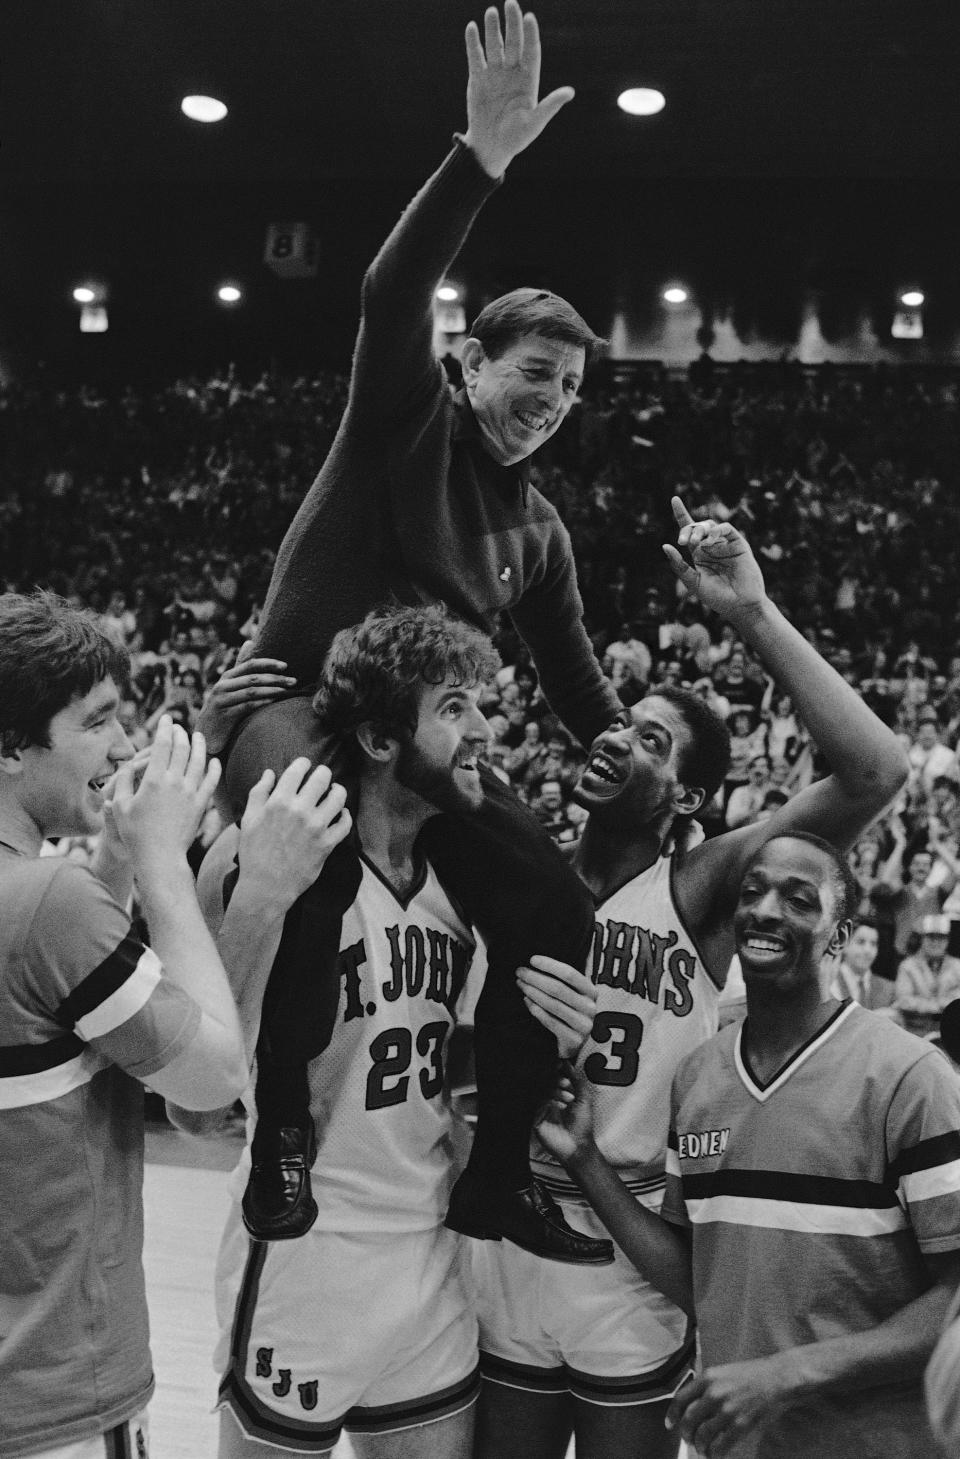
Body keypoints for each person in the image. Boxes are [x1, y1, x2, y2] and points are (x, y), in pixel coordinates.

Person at [207, 0, 622, 1255]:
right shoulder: (404, 418)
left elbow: (572, 675)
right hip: (302, 701)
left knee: (557, 905)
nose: (551, 404)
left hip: (426, 736)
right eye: (534, 375)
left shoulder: (539, 532)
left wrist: (624, 746)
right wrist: (480, 157)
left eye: (571, 390)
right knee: (311, 847)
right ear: (472, 363)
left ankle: (497, 1171)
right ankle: (278, 1128)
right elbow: (393, 284)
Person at [472, 505, 909, 1459]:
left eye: (657, 744)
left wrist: (751, 615)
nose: (625, 741)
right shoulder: (513, 858)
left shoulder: (702, 885)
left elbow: (875, 769)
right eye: (622, 724)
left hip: (626, 1249)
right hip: (503, 1236)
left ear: (691, 801)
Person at [176, 604, 608, 1459]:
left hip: (432, 1246)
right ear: (380, 740)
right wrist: (255, 895)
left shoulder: (469, 880)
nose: (485, 729)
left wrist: (560, 1032)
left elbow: (443, 1059)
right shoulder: (257, 859)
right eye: (454, 708)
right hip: (308, 1254)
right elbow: (191, 1109)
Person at [538, 833, 960, 1459]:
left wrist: (784, 1375)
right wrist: (584, 1160)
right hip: (742, 1446)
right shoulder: (699, 1076)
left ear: (840, 936)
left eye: (798, 899)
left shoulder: (910, 1077)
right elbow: (701, 1277)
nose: (764, 910)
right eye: (753, 891)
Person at [0, 591, 253, 1459]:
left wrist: (109, 857)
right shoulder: (48, 905)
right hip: (57, 1388)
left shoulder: (43, 903)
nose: (123, 745)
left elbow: (50, 1015)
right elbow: (214, 1076)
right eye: (97, 721)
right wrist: (159, 857)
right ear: (10, 746)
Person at [894, 912, 960, 1036]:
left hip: (951, 1032)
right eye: (931, 937)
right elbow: (904, 1000)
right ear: (922, 939)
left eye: (940, 937)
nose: (935, 942)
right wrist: (939, 1005)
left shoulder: (957, 966)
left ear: (947, 940)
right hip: (915, 1030)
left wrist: (924, 1004)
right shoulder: (908, 966)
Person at [827, 916, 896, 1011]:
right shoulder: (828, 982)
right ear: (844, 945)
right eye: (860, 942)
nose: (868, 950)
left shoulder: (888, 989)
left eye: (873, 944)